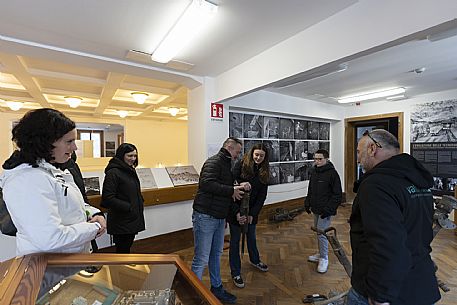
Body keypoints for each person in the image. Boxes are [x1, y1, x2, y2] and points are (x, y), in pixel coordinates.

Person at [347, 129, 440, 305]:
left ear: (372, 148)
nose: (358, 159)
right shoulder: (417, 180)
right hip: (420, 283)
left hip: (387, 291)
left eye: (359, 152)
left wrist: (380, 295)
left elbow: (388, 244)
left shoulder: (376, 185)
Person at [0, 108, 106, 256]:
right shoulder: (27, 180)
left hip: (68, 264)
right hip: (46, 270)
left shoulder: (52, 170)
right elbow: (49, 239)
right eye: (69, 141)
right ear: (45, 142)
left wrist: (95, 214)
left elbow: (74, 206)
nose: (74, 148)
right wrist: (94, 227)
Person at [191, 137, 250, 304]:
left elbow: (227, 191)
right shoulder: (214, 162)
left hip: (218, 217)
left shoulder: (226, 164)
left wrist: (236, 187)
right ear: (229, 147)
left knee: (216, 254)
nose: (238, 156)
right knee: (201, 257)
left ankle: (216, 288)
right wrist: (232, 188)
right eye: (237, 152)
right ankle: (193, 293)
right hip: (205, 216)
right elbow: (207, 184)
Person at [228, 143, 270, 289]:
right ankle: (236, 272)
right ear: (252, 153)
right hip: (236, 210)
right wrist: (237, 213)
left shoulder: (264, 170)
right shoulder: (240, 165)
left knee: (251, 237)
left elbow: (262, 195)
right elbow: (230, 187)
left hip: (251, 211)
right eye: (256, 155)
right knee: (235, 241)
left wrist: (253, 214)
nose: (258, 158)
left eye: (261, 156)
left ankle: (255, 260)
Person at [101, 143, 145, 254]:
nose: (133, 159)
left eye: (135, 156)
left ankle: (124, 270)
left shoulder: (129, 170)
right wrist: (128, 207)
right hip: (121, 220)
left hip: (130, 219)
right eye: (129, 156)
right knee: (122, 251)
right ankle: (121, 271)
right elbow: (107, 198)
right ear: (121, 155)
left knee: (126, 249)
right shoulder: (113, 172)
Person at [304, 149, 342, 273]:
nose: (317, 161)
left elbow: (337, 195)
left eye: (320, 159)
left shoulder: (332, 174)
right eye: (315, 159)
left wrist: (329, 209)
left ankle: (324, 258)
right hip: (315, 208)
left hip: (325, 210)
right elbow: (311, 189)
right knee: (318, 232)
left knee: (322, 234)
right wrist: (307, 201)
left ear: (326, 159)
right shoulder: (314, 171)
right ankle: (321, 253)